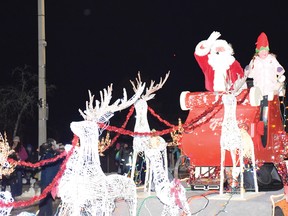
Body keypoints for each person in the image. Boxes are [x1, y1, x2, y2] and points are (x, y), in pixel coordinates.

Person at [245, 32, 285, 147]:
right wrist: (247, 70)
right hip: (259, 90)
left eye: (266, 50)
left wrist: (279, 70)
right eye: (262, 50)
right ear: (258, 51)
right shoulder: (255, 60)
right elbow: (250, 74)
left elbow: (280, 69)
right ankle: (260, 133)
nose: (264, 53)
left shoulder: (271, 59)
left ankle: (267, 130)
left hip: (270, 89)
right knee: (259, 110)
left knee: (267, 110)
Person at [38, 140, 62, 216]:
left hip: (47, 181)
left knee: (44, 200)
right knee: (48, 201)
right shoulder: (56, 155)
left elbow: (41, 163)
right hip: (51, 181)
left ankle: (42, 214)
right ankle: (48, 214)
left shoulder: (48, 155)